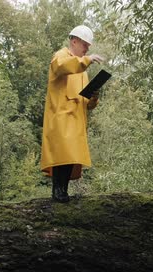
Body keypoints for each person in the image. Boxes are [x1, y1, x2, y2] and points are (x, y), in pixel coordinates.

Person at [40, 25, 105, 203]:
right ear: (74, 41)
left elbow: (86, 104)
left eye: (89, 47)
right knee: (62, 155)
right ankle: (58, 191)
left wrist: (93, 98)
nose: (87, 49)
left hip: (76, 120)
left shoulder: (82, 71)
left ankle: (63, 191)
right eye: (85, 45)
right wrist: (87, 60)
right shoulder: (61, 55)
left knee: (70, 158)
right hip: (61, 117)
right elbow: (61, 67)